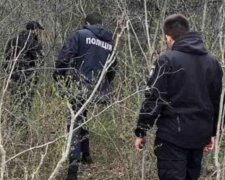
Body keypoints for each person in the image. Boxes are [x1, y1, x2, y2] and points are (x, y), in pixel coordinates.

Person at [134, 14, 223, 180]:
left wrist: (141, 131)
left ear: (168, 37)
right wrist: (213, 133)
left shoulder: (166, 60)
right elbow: (217, 102)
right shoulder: (213, 63)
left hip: (172, 138)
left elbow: (154, 98)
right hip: (199, 136)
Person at [54, 13, 117, 180]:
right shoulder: (110, 42)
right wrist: (103, 86)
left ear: (87, 23)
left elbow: (63, 58)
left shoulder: (81, 35)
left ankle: (72, 170)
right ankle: (86, 155)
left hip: (79, 86)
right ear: (101, 24)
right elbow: (112, 68)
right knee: (84, 117)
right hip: (97, 90)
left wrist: (59, 79)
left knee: (74, 123)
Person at [4, 21, 44, 123]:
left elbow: (5, 61)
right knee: (26, 105)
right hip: (28, 78)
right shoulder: (34, 43)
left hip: (13, 78)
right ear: (34, 30)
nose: (39, 33)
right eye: (38, 30)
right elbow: (40, 61)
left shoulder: (13, 41)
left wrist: (9, 75)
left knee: (13, 103)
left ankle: (11, 127)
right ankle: (23, 128)